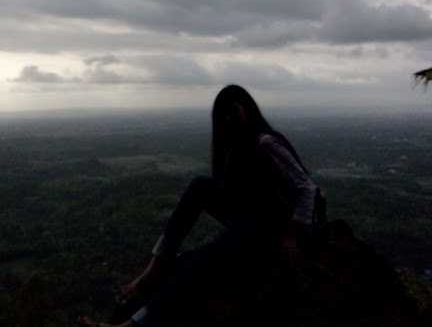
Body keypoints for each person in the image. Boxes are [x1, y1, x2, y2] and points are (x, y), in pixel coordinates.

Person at [78, 85, 321, 327]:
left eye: (232, 112)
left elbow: (307, 188)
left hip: (272, 226)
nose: (228, 120)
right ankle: (156, 266)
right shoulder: (237, 145)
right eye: (224, 115)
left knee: (191, 264)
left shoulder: (264, 142)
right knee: (200, 186)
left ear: (243, 110)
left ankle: (133, 324)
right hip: (252, 218)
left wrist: (292, 235)